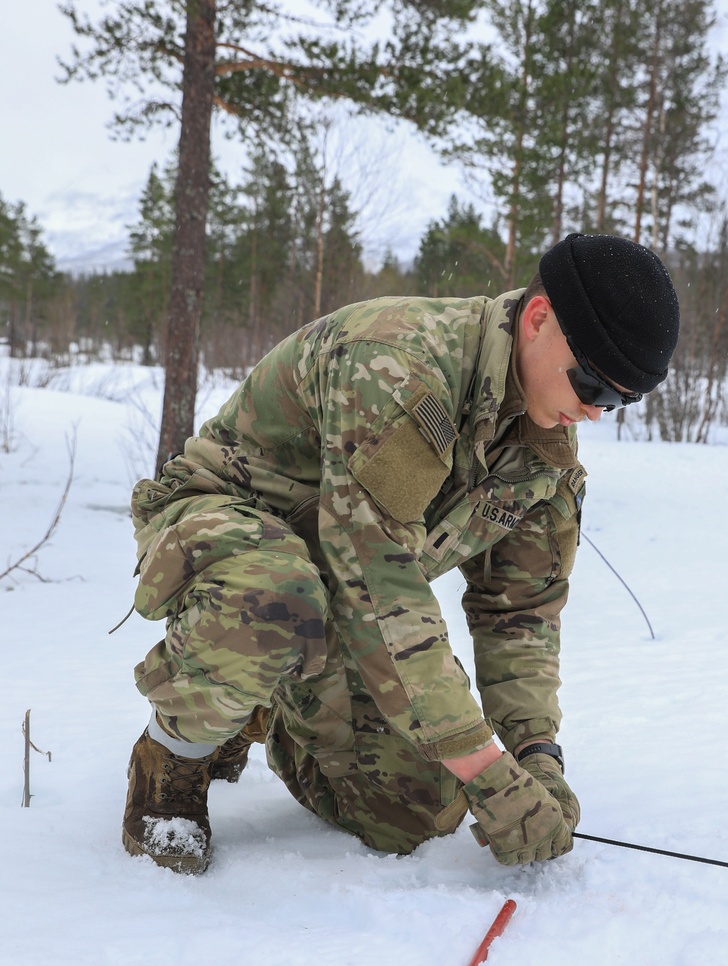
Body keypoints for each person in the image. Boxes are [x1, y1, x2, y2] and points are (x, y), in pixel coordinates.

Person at [122, 232, 680, 874]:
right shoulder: (399, 368)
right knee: (274, 595)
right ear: (537, 318)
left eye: (619, 400)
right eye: (590, 383)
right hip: (223, 532)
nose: (594, 411)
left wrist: (533, 758)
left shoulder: (542, 456)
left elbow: (518, 615)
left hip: (335, 585)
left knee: (420, 811)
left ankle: (272, 703)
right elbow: (377, 587)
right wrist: (480, 761)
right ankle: (172, 762)